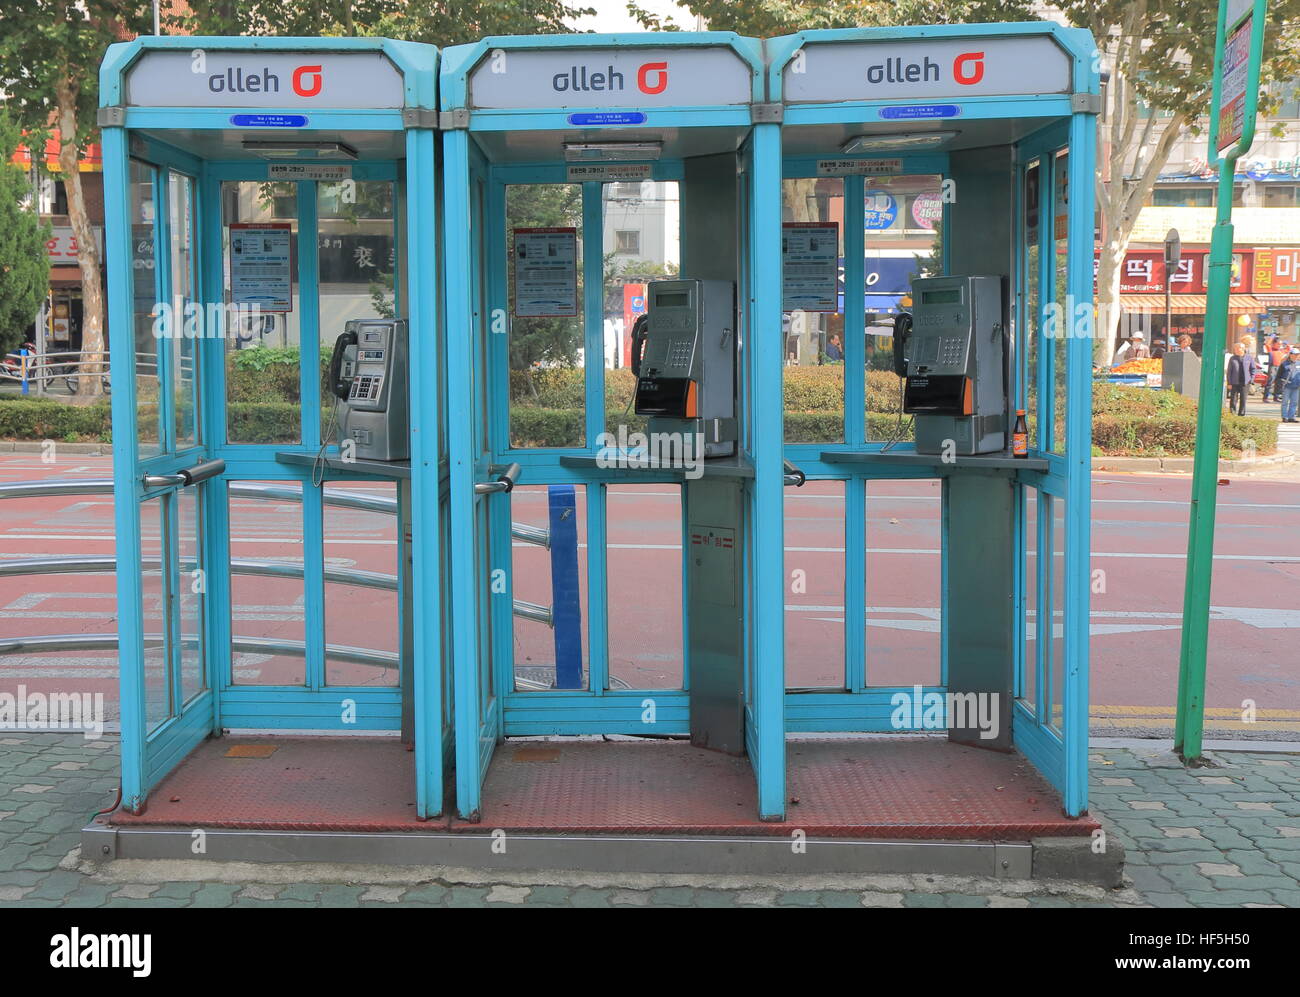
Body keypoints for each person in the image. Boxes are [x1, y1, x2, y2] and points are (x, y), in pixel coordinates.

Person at [1225, 342, 1258, 417]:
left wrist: (1251, 380)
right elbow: (1229, 371)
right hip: (1234, 382)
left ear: (1242, 349)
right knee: (1233, 399)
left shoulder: (1249, 357)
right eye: (1235, 349)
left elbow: (1253, 369)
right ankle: (1232, 413)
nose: (1235, 350)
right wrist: (1229, 383)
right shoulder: (1232, 358)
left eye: (1237, 348)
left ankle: (1241, 414)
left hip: (1245, 382)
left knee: (1243, 399)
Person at [1267, 336, 1290, 401]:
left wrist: (1286, 343)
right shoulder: (1271, 349)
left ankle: (1276, 397)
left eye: (1280, 344)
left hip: (1280, 367)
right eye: (1278, 344)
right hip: (1273, 367)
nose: (1280, 345)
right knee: (1270, 382)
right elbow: (1267, 344)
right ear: (1274, 344)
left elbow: (1288, 349)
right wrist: (1272, 338)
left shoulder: (1281, 350)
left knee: (1278, 383)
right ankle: (1265, 398)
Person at [1281, 347, 1300, 424]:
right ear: (1290, 354)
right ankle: (1285, 417)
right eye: (1294, 354)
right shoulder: (1284, 364)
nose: (1296, 356)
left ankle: (1291, 417)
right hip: (1287, 386)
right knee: (1285, 402)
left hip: (1296, 386)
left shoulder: (1299, 363)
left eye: (1297, 354)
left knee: (1294, 402)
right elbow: (1279, 375)